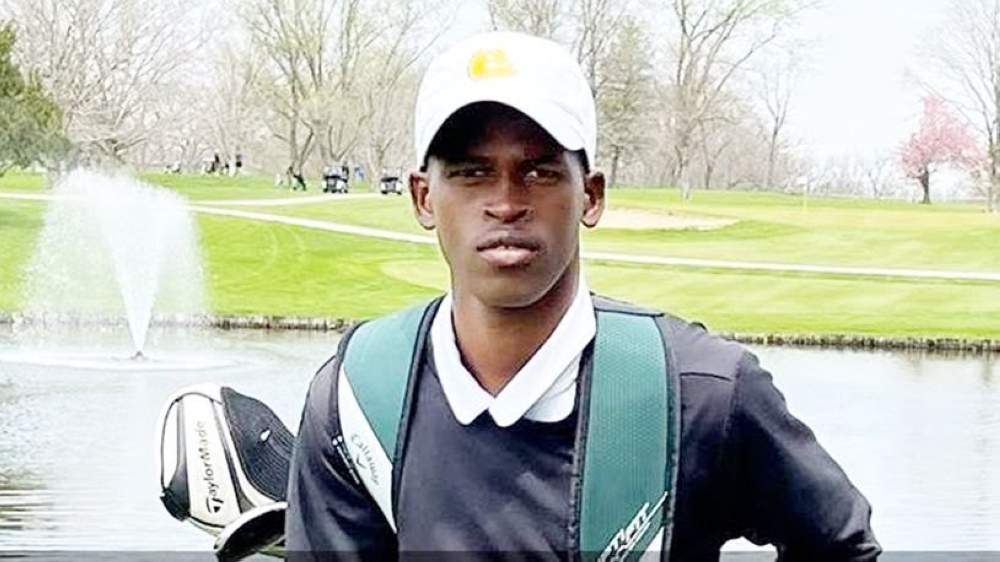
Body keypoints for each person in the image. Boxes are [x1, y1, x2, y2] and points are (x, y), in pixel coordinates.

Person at [285, 31, 880, 560]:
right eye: (471, 172)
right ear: (421, 198)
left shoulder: (702, 393)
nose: (506, 202)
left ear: (590, 194)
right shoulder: (358, 397)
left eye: (540, 172)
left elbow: (841, 546)